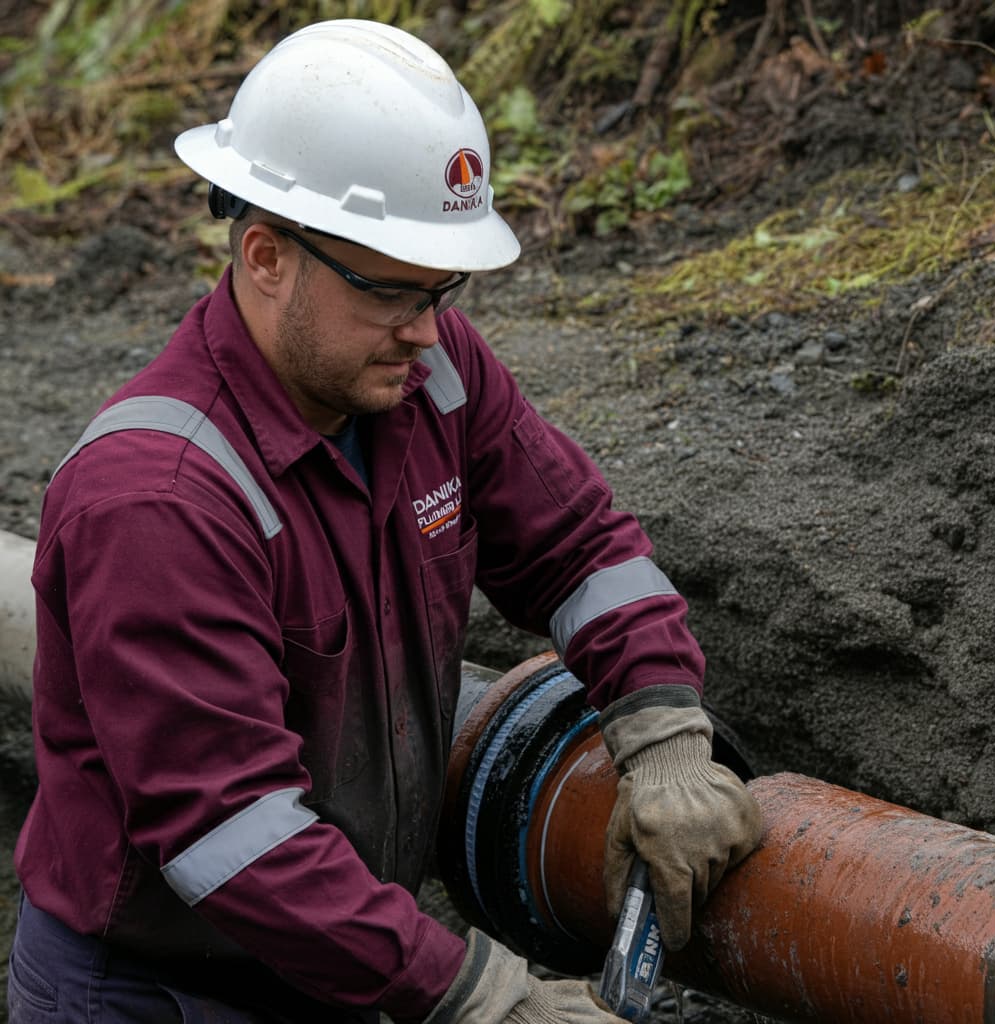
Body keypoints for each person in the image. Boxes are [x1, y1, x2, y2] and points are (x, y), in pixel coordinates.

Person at [8, 18, 762, 1024]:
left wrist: (661, 728)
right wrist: (485, 996)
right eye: (393, 292)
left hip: (339, 959)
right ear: (267, 257)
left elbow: (581, 551)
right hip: (161, 991)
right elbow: (237, 836)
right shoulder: (158, 497)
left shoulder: (429, 374)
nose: (427, 328)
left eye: (442, 289)